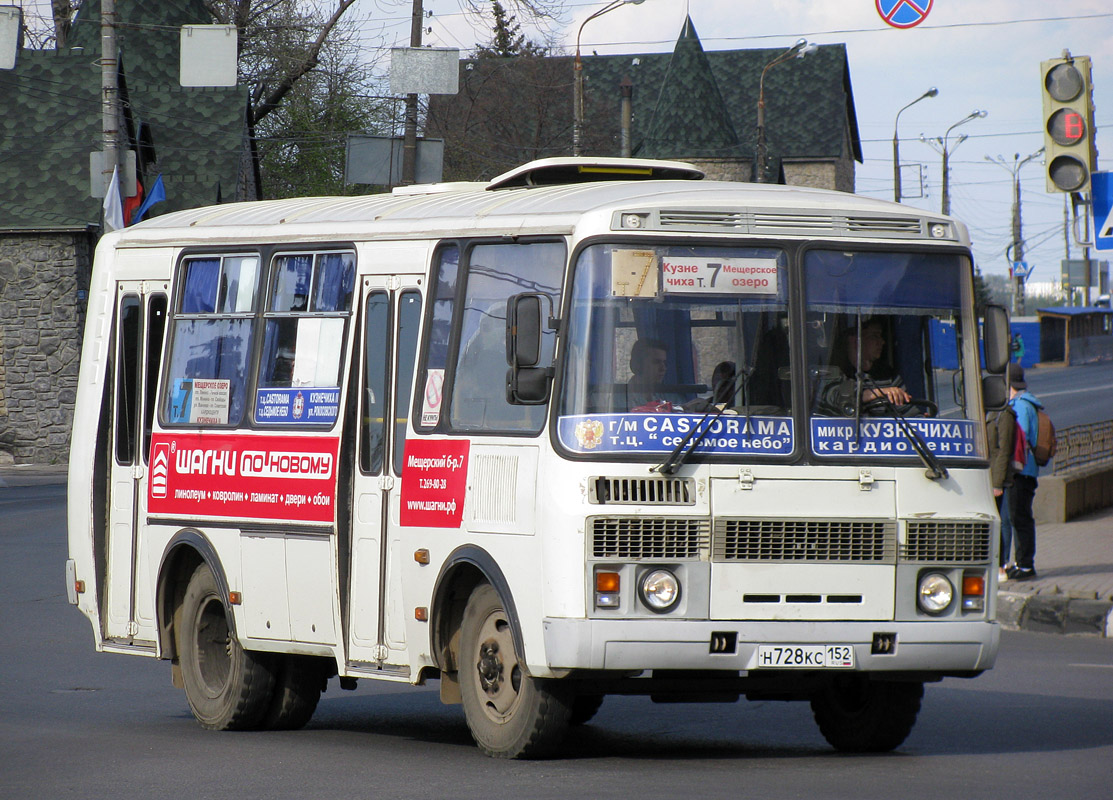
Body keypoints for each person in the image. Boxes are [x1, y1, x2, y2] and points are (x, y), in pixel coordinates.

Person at [816, 318, 911, 416]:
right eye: (874, 336)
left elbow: (908, 413)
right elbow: (834, 396)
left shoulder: (888, 376)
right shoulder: (829, 372)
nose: (882, 342)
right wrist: (878, 393)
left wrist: (922, 420)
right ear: (855, 340)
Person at [1006, 363, 1043, 581]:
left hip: (1021, 470)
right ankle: (1022, 562)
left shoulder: (1019, 406)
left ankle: (1025, 565)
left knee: (1019, 518)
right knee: (1021, 517)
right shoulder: (1028, 403)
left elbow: (1020, 436)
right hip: (1029, 470)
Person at [986, 400, 1017, 581]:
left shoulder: (1003, 414)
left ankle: (1001, 565)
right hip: (987, 476)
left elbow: (1004, 451)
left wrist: (997, 483)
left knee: (1002, 521)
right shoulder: (986, 411)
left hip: (999, 479)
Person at [625, 338, 686, 411]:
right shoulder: (618, 398)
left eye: (664, 363)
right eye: (656, 362)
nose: (663, 368)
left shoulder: (673, 399)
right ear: (637, 364)